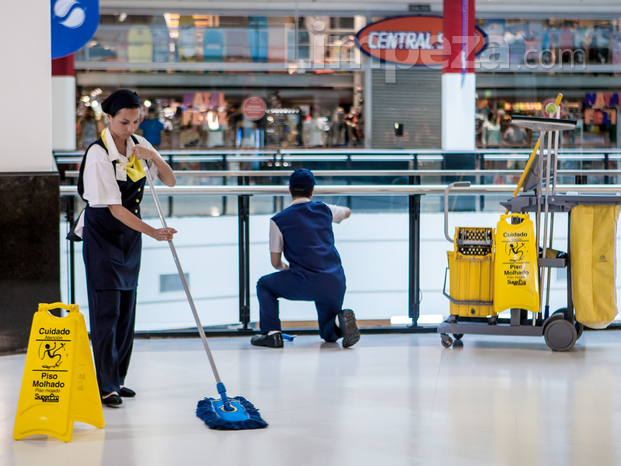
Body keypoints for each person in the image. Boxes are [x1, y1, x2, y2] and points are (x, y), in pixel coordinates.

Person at [73, 89, 177, 407]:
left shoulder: (139, 145)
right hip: (103, 235)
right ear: (109, 118)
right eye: (123, 122)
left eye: (135, 121)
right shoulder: (98, 154)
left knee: (126, 311)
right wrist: (155, 233)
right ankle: (104, 385)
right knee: (107, 311)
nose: (130, 129)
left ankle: (117, 378)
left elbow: (170, 181)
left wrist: (154, 157)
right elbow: (115, 209)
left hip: (130, 238)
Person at [252, 169, 360, 349]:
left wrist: (283, 267)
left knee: (264, 285)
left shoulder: (278, 220)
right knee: (328, 335)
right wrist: (340, 210)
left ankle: (272, 334)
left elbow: (275, 261)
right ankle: (339, 323)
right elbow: (347, 212)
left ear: (289, 189)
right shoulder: (324, 209)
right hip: (334, 281)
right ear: (312, 190)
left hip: (304, 281)